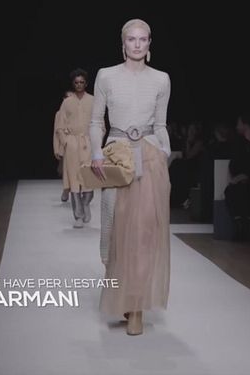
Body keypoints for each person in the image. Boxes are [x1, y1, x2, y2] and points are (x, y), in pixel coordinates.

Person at [90, 19, 171, 335]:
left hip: (149, 156)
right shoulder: (106, 76)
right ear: (122, 43)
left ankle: (135, 307)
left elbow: (161, 124)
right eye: (131, 39)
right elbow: (96, 121)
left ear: (150, 43)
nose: (137, 44)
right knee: (113, 232)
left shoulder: (161, 79)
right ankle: (122, 292)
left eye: (143, 39)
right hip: (116, 154)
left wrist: (165, 152)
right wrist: (96, 152)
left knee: (144, 233)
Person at [58, 69, 95, 227]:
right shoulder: (67, 102)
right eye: (76, 82)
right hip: (72, 144)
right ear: (73, 84)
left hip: (88, 142)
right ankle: (78, 216)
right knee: (73, 180)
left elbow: (99, 123)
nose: (79, 85)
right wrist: (66, 142)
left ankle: (86, 203)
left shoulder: (93, 100)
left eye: (82, 82)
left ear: (86, 83)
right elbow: (60, 125)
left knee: (88, 177)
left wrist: (97, 141)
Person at [54, 90, 74, 202]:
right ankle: (66, 190)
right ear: (64, 99)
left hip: (77, 144)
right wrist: (56, 148)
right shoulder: (59, 114)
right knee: (64, 170)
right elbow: (56, 132)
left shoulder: (78, 112)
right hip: (64, 144)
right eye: (67, 98)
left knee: (77, 169)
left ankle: (77, 191)